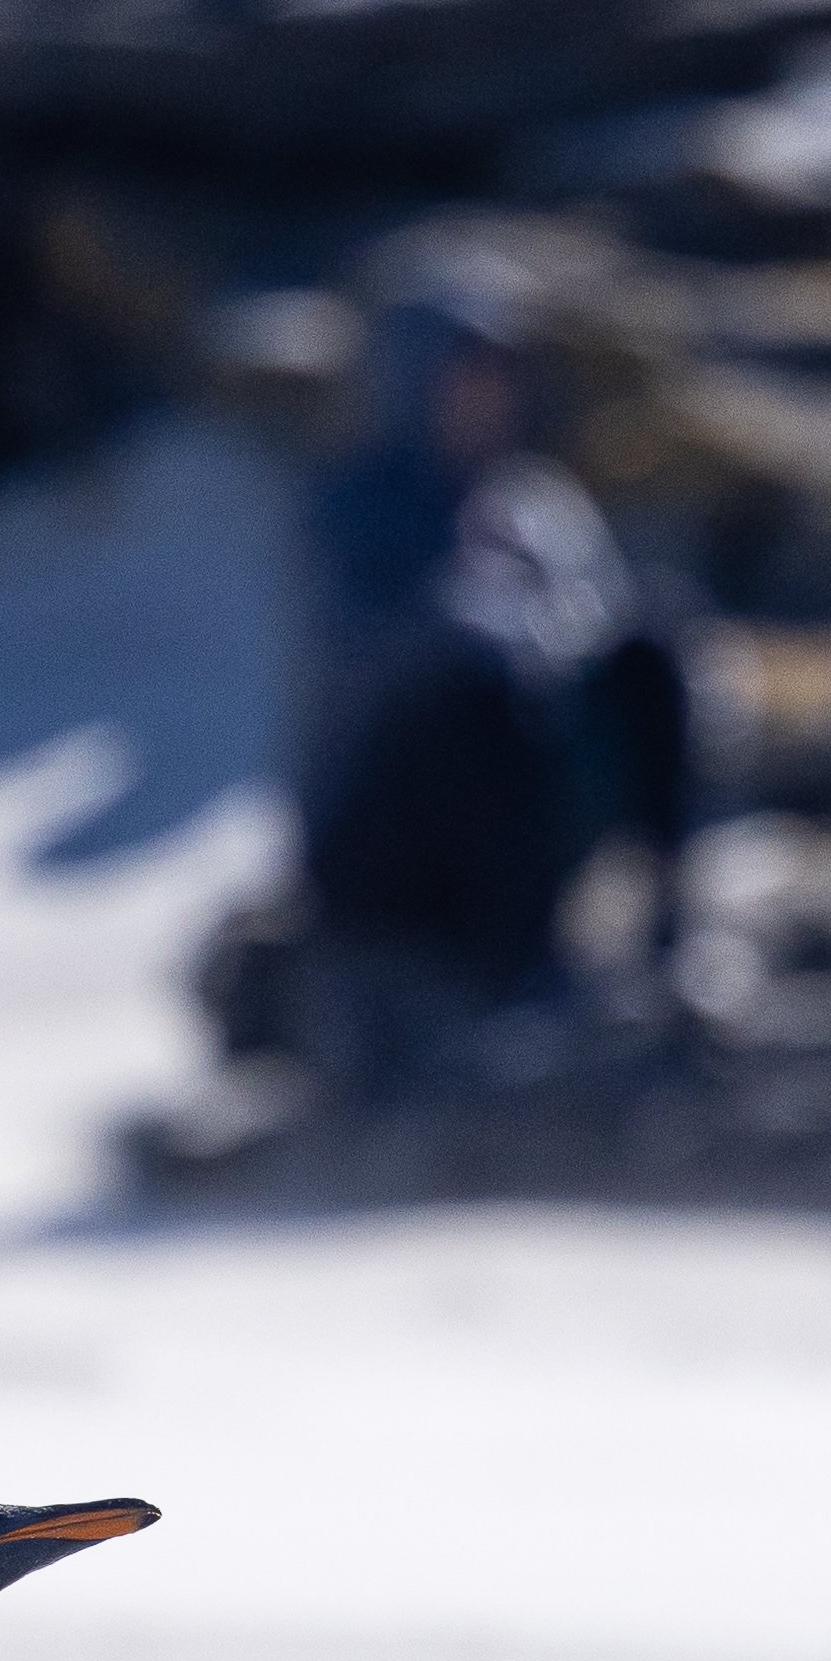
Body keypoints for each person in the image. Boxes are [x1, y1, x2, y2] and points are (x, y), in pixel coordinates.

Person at [283, 295, 694, 1104]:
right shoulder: (356, 509)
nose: (487, 396)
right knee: (481, 693)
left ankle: (665, 942)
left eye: (501, 376)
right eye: (466, 375)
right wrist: (498, 641)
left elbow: (593, 628)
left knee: (651, 660)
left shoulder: (539, 509)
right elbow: (372, 663)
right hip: (382, 836)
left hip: (537, 786)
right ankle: (512, 982)